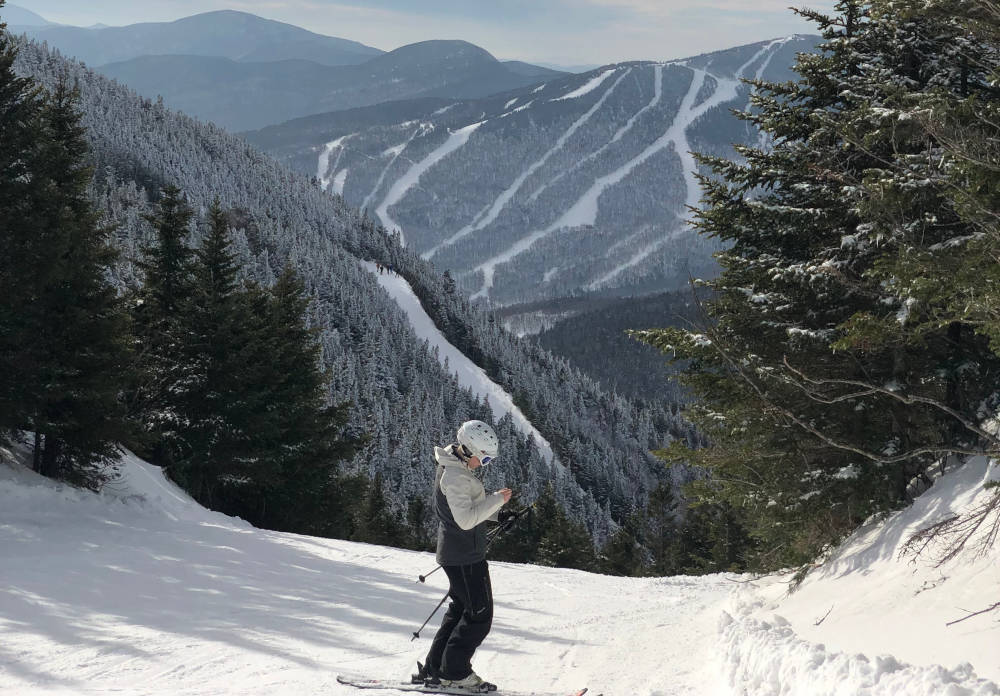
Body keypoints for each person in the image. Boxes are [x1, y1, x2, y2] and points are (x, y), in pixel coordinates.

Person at [414, 420, 512, 693]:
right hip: (464, 557)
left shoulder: (454, 467)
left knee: (460, 610)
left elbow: (469, 508)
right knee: (479, 616)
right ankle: (455, 673)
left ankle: (436, 668)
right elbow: (467, 519)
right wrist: (497, 500)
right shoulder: (454, 477)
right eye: (485, 458)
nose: (485, 463)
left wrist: (498, 514)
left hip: (460, 553)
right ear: (469, 451)